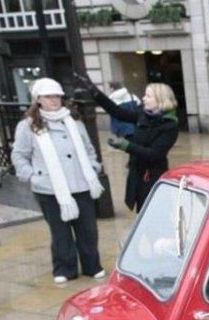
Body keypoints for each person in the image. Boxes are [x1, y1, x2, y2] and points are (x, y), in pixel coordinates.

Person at [11, 78, 106, 284]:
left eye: (57, 96)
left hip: (81, 185)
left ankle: (92, 265)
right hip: (50, 190)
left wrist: (93, 167)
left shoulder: (75, 122)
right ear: (38, 100)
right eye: (48, 96)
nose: (54, 100)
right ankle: (65, 268)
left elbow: (89, 150)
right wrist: (33, 176)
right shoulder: (27, 126)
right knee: (60, 232)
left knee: (88, 230)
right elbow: (19, 156)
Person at [75, 73, 179, 212]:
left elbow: (155, 154)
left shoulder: (170, 125)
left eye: (148, 96)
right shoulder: (144, 115)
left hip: (153, 177)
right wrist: (94, 91)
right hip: (138, 174)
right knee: (142, 214)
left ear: (160, 100)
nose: (143, 98)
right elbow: (116, 111)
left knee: (154, 214)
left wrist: (125, 145)